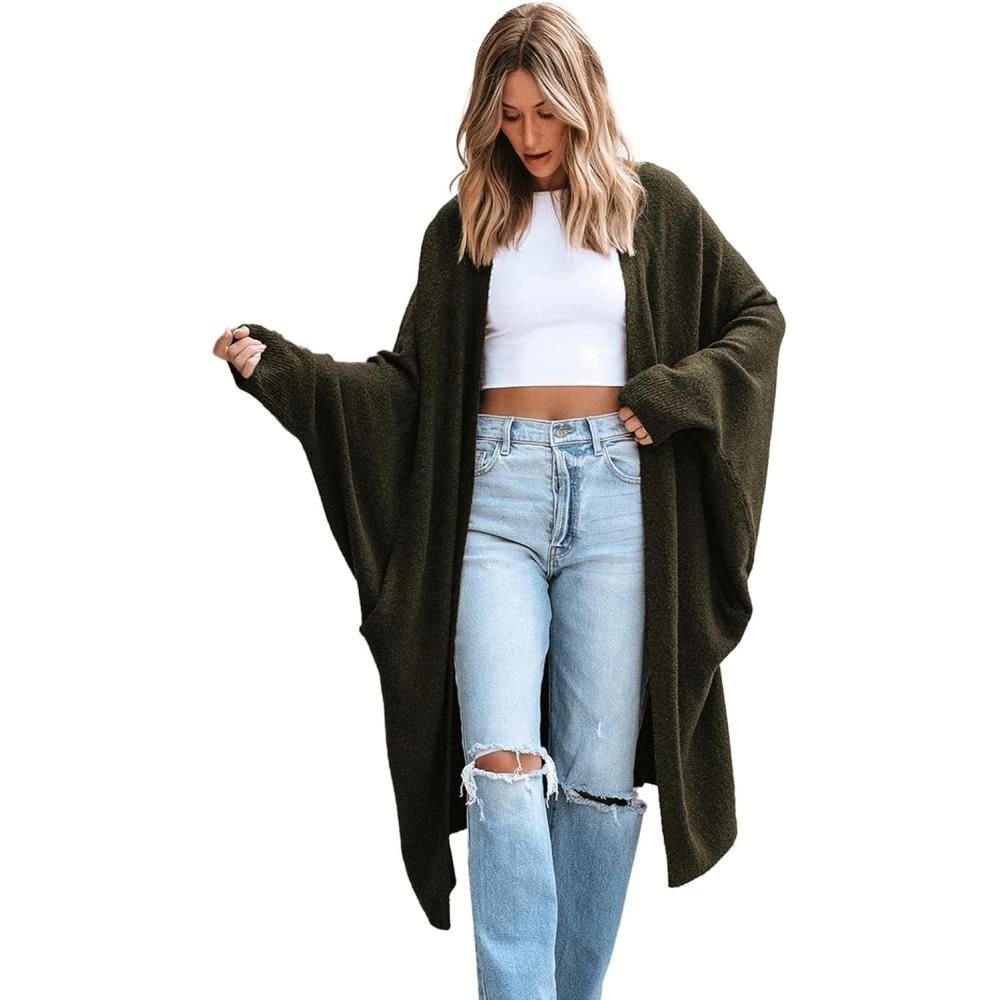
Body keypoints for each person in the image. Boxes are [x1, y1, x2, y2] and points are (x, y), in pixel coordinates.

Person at [214, 5, 785, 998]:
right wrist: (288, 373)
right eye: (509, 115)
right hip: (494, 502)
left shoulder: (655, 206)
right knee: (503, 769)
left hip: (618, 501)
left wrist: (674, 393)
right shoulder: (467, 227)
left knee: (599, 781)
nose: (528, 136)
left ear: (582, 103)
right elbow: (407, 389)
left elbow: (756, 319)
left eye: (544, 114)